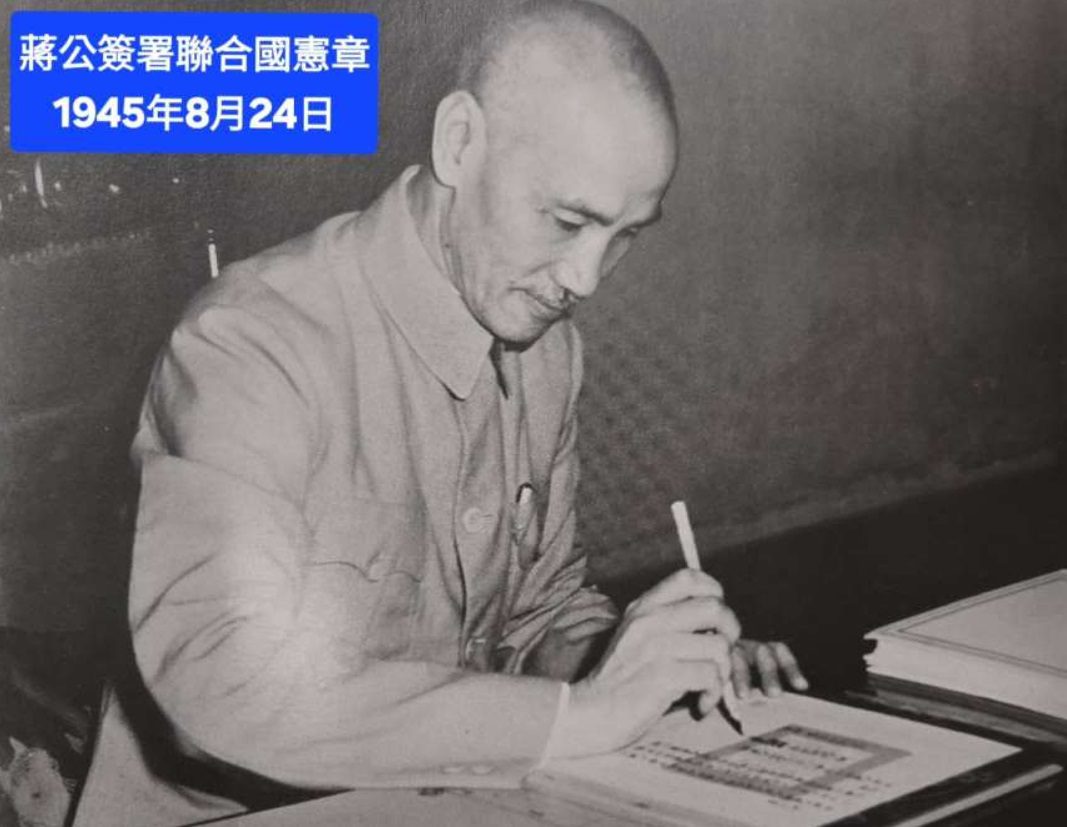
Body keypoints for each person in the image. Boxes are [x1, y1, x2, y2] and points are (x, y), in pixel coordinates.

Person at [72, 2, 806, 824]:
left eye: (625, 234)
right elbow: (222, 682)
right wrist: (584, 714)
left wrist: (652, 666)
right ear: (459, 142)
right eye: (567, 221)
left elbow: (538, 613)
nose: (586, 278)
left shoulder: (543, 348)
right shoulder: (253, 342)